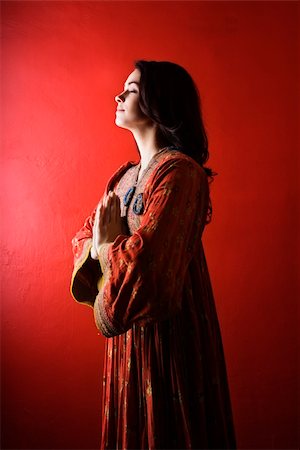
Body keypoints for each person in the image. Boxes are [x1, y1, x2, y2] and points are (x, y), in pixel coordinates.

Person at [70, 60, 237, 450]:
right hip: (127, 343)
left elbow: (153, 268)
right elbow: (83, 238)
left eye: (130, 89)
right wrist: (107, 249)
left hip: (171, 337)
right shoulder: (123, 178)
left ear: (157, 100)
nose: (119, 95)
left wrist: (109, 247)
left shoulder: (180, 173)